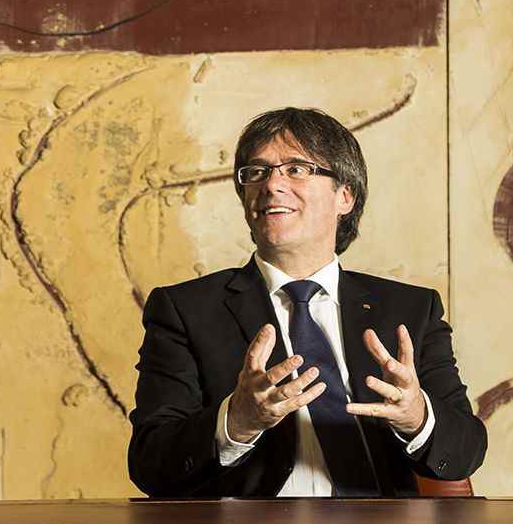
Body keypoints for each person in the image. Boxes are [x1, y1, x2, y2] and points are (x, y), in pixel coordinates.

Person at [128, 107, 486, 498]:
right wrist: (236, 422)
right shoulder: (185, 310)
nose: (271, 184)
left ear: (345, 196)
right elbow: (150, 463)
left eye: (296, 169)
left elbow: (466, 452)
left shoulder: (411, 309)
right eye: (257, 171)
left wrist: (417, 417)